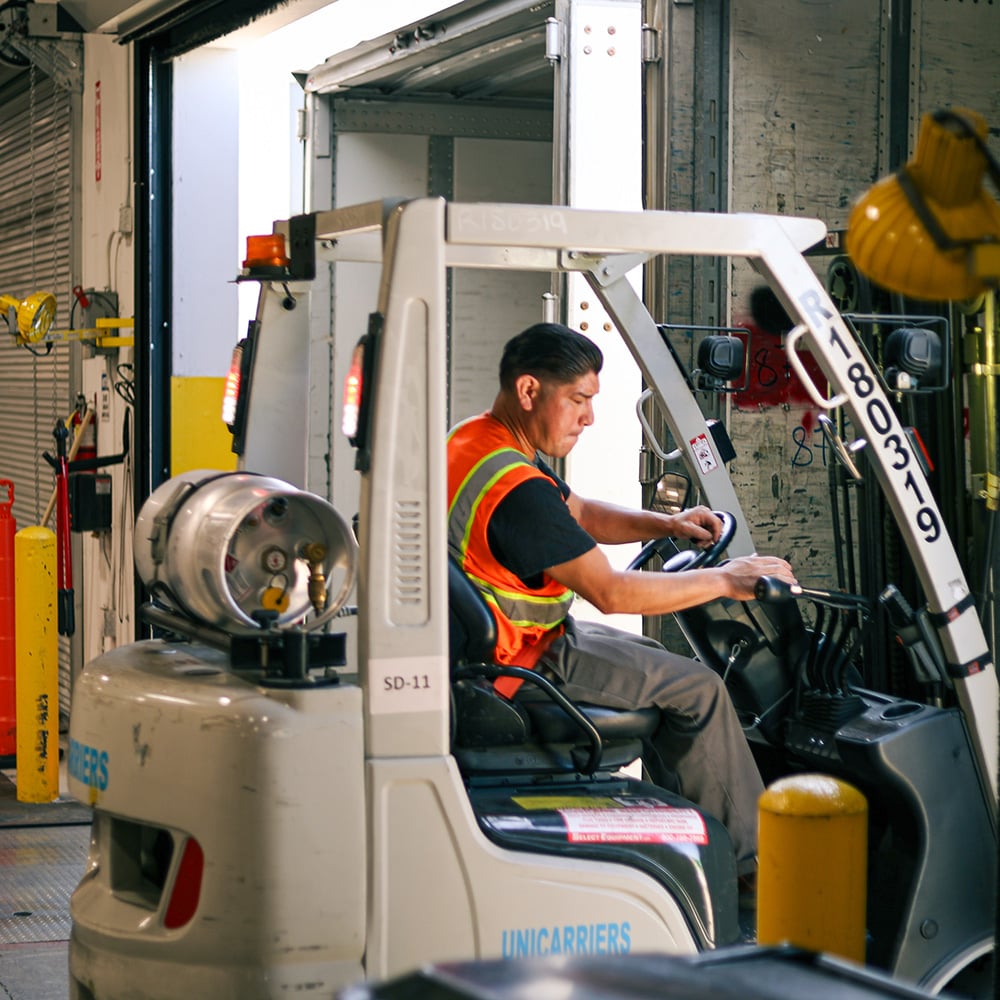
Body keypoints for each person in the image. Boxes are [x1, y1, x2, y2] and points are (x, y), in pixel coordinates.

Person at [446, 322, 798, 879]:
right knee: (699, 691)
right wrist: (728, 580)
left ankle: (684, 846)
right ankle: (755, 878)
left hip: (504, 647)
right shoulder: (519, 492)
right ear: (530, 391)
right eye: (579, 400)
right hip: (520, 664)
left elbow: (579, 512)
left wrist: (670, 523)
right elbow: (612, 593)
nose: (589, 417)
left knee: (672, 680)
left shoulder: (477, 441)